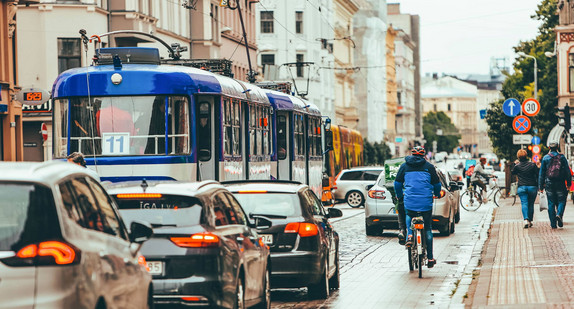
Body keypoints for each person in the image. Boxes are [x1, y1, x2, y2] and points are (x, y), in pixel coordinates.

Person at [394, 146, 441, 268]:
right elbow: (437, 184)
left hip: (410, 201)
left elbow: (397, 183)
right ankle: (430, 258)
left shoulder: (404, 166)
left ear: (412, 154)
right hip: (426, 202)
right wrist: (436, 194)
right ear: (424, 155)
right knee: (428, 229)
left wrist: (399, 196)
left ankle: (410, 235)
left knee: (409, 215)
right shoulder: (429, 167)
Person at [539, 142, 571, 229]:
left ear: (549, 147)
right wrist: (569, 184)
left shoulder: (545, 158)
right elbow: (567, 172)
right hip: (560, 183)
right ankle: (559, 214)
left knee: (551, 203)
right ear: (557, 147)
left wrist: (541, 187)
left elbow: (541, 173)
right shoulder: (562, 157)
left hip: (549, 183)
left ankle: (553, 224)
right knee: (561, 200)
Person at [511, 149, 539, 228]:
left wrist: (514, 164)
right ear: (526, 155)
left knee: (524, 203)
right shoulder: (532, 165)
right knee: (531, 204)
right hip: (532, 187)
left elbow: (512, 172)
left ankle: (526, 219)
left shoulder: (517, 166)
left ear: (518, 157)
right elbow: (537, 174)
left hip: (522, 187)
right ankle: (530, 221)